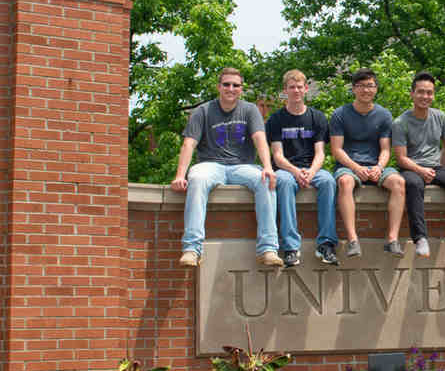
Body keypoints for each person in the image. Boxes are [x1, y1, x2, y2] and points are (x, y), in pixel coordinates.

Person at [169, 66, 281, 269]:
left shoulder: (250, 110)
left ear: (241, 89)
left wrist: (267, 167)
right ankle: (192, 249)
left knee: (265, 180)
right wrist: (180, 175)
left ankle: (268, 248)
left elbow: (260, 139)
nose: (231, 88)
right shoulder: (202, 111)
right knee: (197, 179)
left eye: (235, 85)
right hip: (210, 165)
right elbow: (189, 144)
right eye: (226, 84)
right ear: (218, 87)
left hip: (242, 166)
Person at [392, 71, 445, 258]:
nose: (425, 96)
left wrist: (440, 167)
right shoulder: (400, 122)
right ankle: (420, 238)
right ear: (412, 94)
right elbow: (401, 158)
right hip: (411, 167)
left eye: (429, 93)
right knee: (413, 184)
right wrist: (421, 170)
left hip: (435, 167)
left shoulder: (440, 117)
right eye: (421, 92)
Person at [328, 68, 409, 257]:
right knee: (345, 182)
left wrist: (379, 167)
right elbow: (336, 150)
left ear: (376, 89)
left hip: (376, 165)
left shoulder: (384, 115)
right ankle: (353, 240)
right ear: (354, 89)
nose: (366, 90)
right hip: (349, 166)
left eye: (370, 86)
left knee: (399, 182)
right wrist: (356, 168)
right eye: (361, 86)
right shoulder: (340, 114)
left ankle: (392, 239)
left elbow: (386, 149)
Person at [266, 68, 338, 266]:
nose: (296, 91)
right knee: (283, 182)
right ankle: (290, 247)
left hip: (312, 168)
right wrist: (296, 172)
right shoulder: (275, 120)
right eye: (291, 87)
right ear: (285, 91)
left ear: (306, 89)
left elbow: (320, 153)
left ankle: (326, 245)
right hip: (287, 169)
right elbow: (277, 156)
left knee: (328, 181)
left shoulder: (317, 118)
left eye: (299, 87)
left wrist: (312, 172)